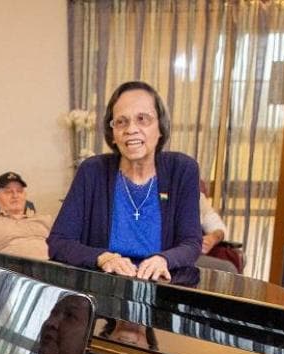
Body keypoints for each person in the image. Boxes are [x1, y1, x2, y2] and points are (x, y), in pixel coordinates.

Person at [48, 81, 202, 285]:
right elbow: (58, 242)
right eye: (121, 122)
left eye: (142, 119)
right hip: (105, 286)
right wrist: (103, 258)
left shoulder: (182, 169)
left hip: (162, 285)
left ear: (160, 128)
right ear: (112, 134)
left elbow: (191, 243)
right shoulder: (92, 171)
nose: (131, 129)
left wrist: (164, 259)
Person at [0, 171, 53, 260]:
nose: (15, 196)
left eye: (19, 191)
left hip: (52, 265)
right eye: (8, 192)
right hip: (13, 267)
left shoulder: (45, 219)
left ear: (25, 195)